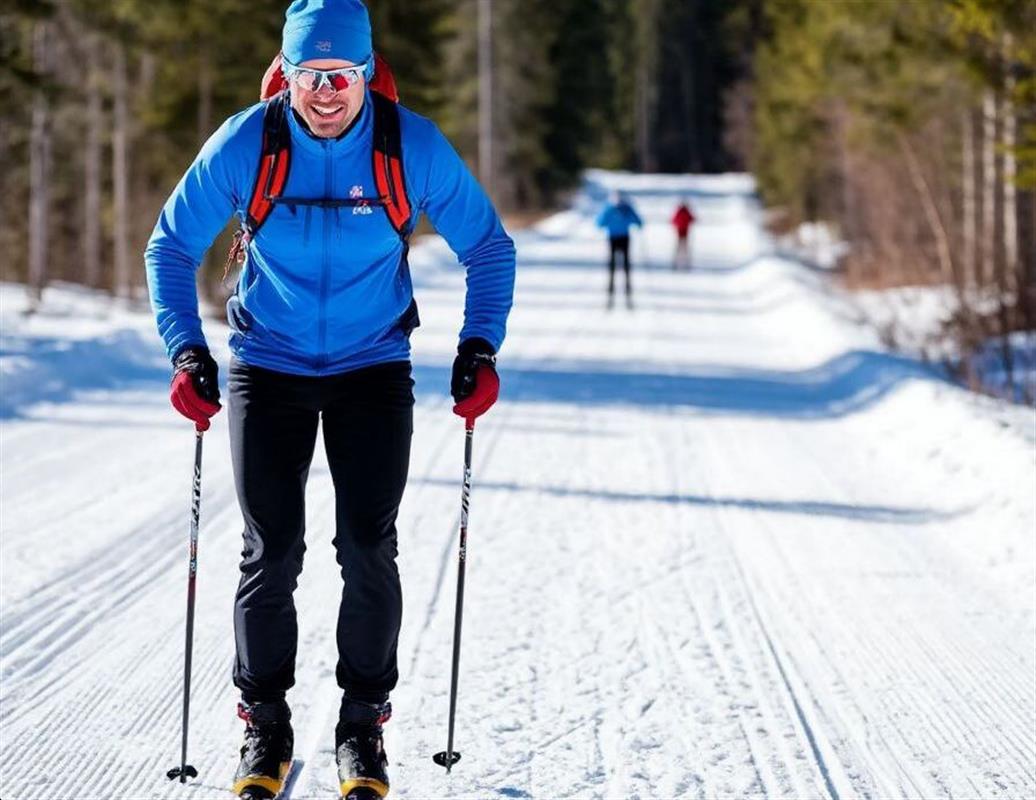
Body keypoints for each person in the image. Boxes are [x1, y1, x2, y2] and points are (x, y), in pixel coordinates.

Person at [144, 1, 515, 798]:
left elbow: (487, 244)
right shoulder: (251, 141)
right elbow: (170, 243)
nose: (324, 92)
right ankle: (264, 724)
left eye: (341, 76)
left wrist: (479, 345)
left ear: (364, 74)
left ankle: (362, 724)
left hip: (371, 367)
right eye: (310, 76)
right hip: (266, 365)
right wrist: (185, 348)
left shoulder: (406, 144)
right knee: (270, 551)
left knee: (368, 549)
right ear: (288, 74)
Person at [595, 191, 642, 308]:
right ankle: (617, 294)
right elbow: (638, 222)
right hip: (620, 238)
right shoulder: (623, 208)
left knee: (617, 267)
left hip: (617, 238)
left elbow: (599, 223)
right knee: (620, 267)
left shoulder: (612, 208)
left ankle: (621, 294)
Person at [671, 199, 696, 270]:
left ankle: (677, 262)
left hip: (680, 232)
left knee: (680, 248)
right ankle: (684, 262)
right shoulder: (686, 211)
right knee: (683, 248)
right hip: (684, 232)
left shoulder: (679, 211)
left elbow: (673, 220)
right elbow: (692, 219)